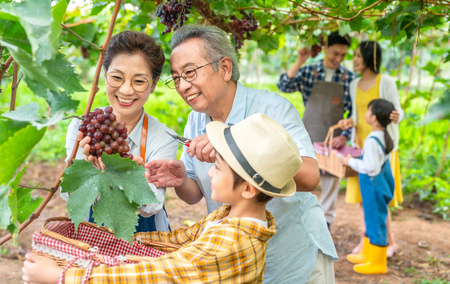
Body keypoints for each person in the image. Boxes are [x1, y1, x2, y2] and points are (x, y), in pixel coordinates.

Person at [146, 25, 337, 283]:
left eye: (190, 72)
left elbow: (310, 176)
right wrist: (180, 178)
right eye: (176, 77)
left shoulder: (272, 109)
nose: (182, 85)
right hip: (239, 258)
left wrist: (234, 142)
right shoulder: (195, 120)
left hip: (292, 254)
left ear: (224, 68)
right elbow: (193, 195)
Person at [22, 113, 303, 283]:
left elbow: (159, 276)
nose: (209, 174)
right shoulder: (233, 217)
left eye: (216, 167)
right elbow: (177, 242)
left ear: (248, 189)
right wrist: (111, 243)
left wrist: (63, 277)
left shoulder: (231, 242)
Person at [63, 31, 177, 232]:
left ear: (154, 85)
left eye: (139, 81)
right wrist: (86, 169)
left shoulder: (163, 137)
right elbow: (70, 193)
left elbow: (152, 205)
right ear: (104, 74)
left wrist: (123, 173)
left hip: (146, 245)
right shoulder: (83, 128)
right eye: (116, 77)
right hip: (92, 241)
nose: (126, 90)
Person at [277, 31, 357, 229]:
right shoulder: (309, 72)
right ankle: (300, 223)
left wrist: (345, 136)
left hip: (333, 140)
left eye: (343, 55)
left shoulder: (349, 78)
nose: (338, 58)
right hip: (308, 136)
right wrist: (300, 60)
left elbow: (354, 114)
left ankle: (326, 224)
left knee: (330, 182)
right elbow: (284, 85)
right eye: (335, 53)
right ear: (325, 49)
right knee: (303, 178)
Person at [338, 41, 404, 258]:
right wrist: (350, 123)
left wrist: (396, 116)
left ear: (369, 58)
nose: (354, 60)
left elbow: (397, 112)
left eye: (358, 55)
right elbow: (358, 115)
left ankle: (388, 243)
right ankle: (366, 241)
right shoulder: (353, 84)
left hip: (382, 150)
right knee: (363, 199)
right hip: (360, 149)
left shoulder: (385, 82)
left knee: (379, 199)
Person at [341, 99, 396, 274]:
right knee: (371, 218)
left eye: (368, 111)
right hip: (376, 186)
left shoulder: (373, 140)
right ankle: (367, 253)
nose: (364, 114)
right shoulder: (383, 135)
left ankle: (378, 263)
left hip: (373, 186)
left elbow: (370, 167)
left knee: (375, 222)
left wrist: (350, 161)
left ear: (374, 118)